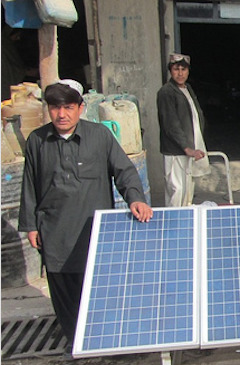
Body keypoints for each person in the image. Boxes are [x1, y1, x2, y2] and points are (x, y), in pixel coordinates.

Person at [18, 80, 153, 358]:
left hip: (94, 231)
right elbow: (29, 185)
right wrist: (30, 225)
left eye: (68, 107)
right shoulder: (37, 141)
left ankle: (104, 340)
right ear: (48, 110)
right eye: (55, 108)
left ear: (81, 108)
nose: (62, 114)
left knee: (98, 289)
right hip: (55, 232)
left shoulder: (99, 137)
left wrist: (136, 198)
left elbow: (124, 171)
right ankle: (76, 343)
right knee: (65, 293)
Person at [157, 52, 210, 206]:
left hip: (188, 149)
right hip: (176, 151)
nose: (180, 73)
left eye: (183, 69)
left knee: (187, 191)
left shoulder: (187, 89)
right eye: (176, 69)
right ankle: (173, 224)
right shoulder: (166, 92)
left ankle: (186, 223)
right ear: (170, 71)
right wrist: (187, 148)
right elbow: (170, 124)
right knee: (177, 190)